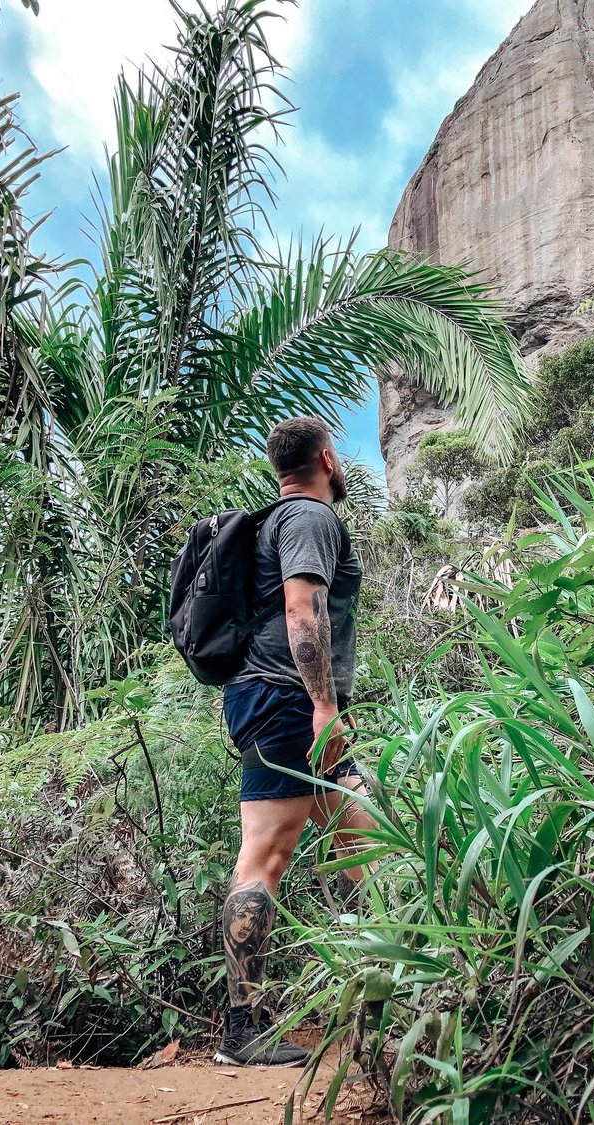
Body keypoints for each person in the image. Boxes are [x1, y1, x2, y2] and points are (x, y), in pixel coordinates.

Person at [215, 415, 375, 1068]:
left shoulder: (278, 521)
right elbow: (300, 610)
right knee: (265, 856)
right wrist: (323, 705)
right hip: (289, 704)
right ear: (329, 460)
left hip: (276, 702)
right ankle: (240, 1029)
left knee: (374, 835)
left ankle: (401, 997)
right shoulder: (310, 518)